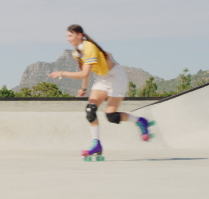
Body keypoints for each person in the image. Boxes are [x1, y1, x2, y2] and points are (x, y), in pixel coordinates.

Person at [48, 24, 152, 160]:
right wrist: (83, 88)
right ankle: (96, 144)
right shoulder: (77, 52)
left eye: (70, 35)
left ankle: (141, 121)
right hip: (102, 79)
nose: (68, 39)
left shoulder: (89, 48)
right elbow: (86, 72)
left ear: (79, 35)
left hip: (116, 78)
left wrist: (62, 73)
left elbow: (84, 73)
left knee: (111, 116)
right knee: (90, 110)